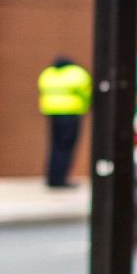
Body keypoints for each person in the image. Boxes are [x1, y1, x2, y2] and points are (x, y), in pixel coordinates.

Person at [38, 55, 93, 189]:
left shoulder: (48, 74)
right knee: (66, 147)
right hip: (71, 113)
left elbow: (42, 89)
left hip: (52, 114)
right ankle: (61, 179)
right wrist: (87, 106)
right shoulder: (76, 73)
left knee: (55, 146)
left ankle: (52, 178)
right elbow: (87, 93)